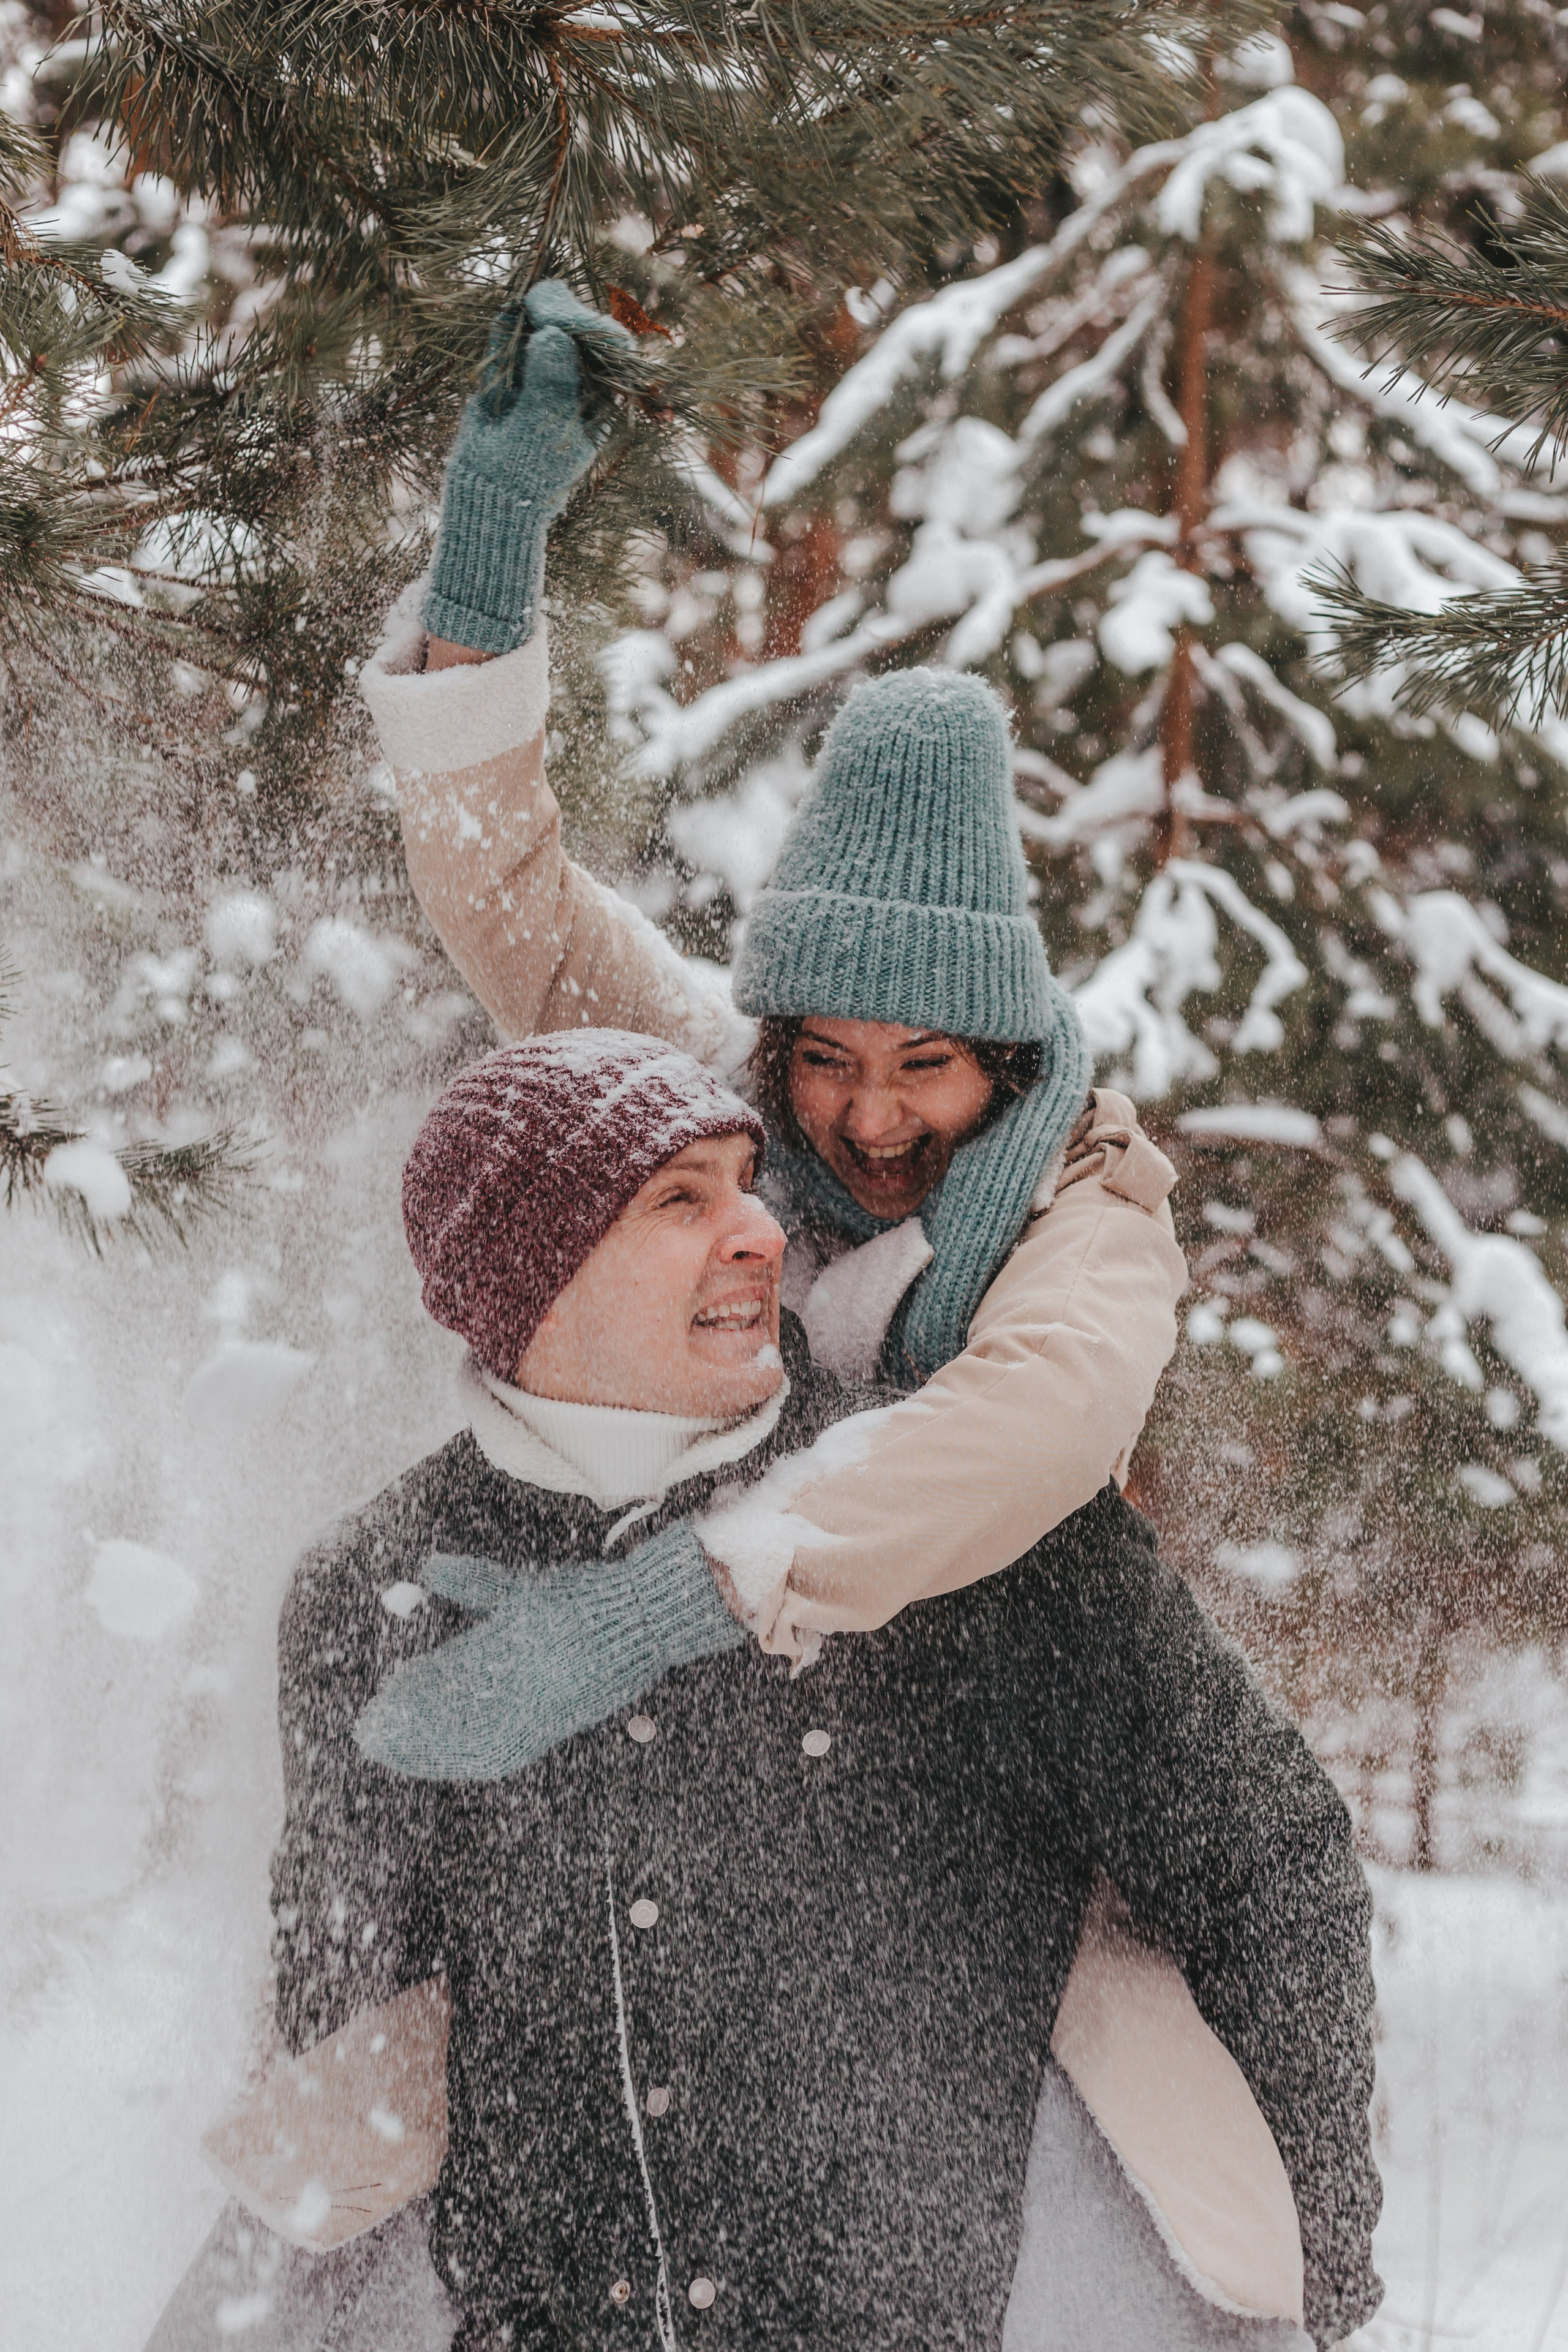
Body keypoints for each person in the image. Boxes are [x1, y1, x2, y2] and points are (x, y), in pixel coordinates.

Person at [148, 1036, 1382, 2352]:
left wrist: (1321, 2255)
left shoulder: (955, 1524)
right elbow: (341, 2016)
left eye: (746, 1182)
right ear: (535, 1273)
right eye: (681, 1200)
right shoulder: (373, 1587)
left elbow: (1268, 1863)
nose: (759, 1231)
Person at [358, 279, 1191, 1681]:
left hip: (988, 1708)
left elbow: (1034, 1419)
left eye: (923, 1065)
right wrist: (488, 550)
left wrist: (675, 1602)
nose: (868, 1118)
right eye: (825, 1060)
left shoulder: (1082, 1206)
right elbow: (502, 892)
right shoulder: (715, 1107)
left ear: (999, 1061)